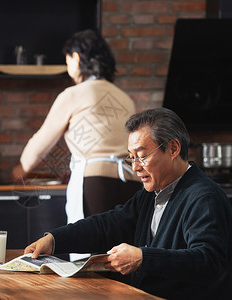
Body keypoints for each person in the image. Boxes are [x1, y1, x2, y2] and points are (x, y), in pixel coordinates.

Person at [24, 107, 232, 300]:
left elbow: (208, 261)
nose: (135, 167)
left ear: (173, 149)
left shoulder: (204, 197)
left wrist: (143, 258)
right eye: (131, 158)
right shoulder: (150, 195)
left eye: (142, 157)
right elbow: (106, 226)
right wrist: (55, 240)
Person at [12, 29, 141, 225]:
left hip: (96, 184)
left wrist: (22, 167)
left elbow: (42, 141)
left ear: (77, 57)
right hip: (132, 182)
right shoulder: (125, 98)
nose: (68, 67)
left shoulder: (73, 94)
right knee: (121, 252)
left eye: (67, 61)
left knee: (90, 252)